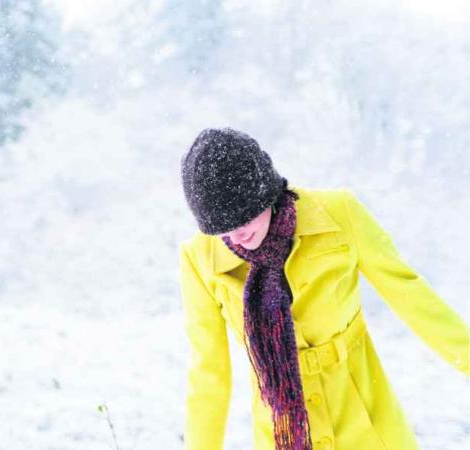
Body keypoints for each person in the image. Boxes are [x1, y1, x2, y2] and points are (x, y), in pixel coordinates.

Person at [177, 127, 469, 450]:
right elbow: (209, 376)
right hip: (282, 436)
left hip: (366, 424)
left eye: (244, 217)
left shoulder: (339, 216)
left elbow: (414, 299)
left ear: (265, 193)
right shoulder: (200, 261)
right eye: (222, 228)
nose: (236, 235)